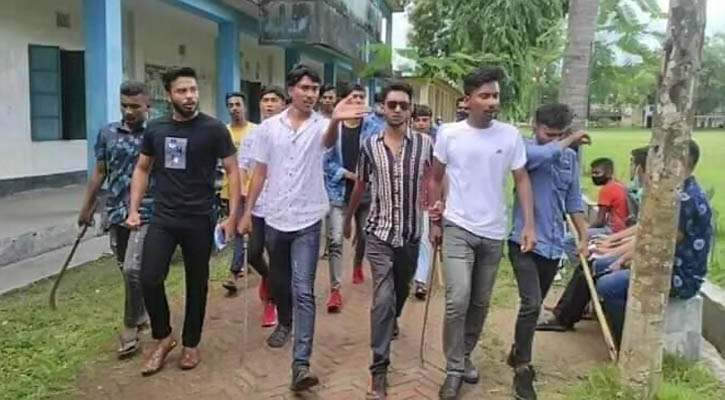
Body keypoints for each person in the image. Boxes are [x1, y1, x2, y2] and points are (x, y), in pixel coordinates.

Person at [238, 65, 350, 391]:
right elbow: (260, 172)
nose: (310, 94)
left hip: (308, 219)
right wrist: (247, 213)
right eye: (305, 88)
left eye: (315, 89)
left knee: (304, 289)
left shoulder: (322, 125)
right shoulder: (268, 129)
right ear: (291, 90)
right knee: (280, 281)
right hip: (275, 216)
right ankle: (284, 322)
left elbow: (328, 141)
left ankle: (300, 365)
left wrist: (337, 119)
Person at [428, 66, 536, 400]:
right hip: (457, 225)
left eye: (496, 96)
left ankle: (464, 354)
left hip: (493, 232)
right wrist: (434, 217)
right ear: (467, 99)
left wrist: (528, 225)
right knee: (457, 298)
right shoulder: (449, 133)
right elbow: (435, 177)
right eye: (485, 96)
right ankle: (453, 369)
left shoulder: (509, 135)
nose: (492, 102)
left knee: (480, 301)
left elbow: (521, 179)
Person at [126, 66, 240, 376]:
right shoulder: (156, 129)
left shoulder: (214, 129)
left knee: (196, 283)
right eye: (182, 91)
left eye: (193, 90)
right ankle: (164, 337)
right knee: (148, 277)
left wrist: (232, 217)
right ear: (169, 95)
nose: (190, 96)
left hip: (200, 218)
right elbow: (142, 168)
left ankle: (191, 343)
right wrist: (134, 209)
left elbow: (233, 170)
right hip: (163, 217)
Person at [342, 81, 433, 400]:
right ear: (382, 107)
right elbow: (360, 184)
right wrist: (348, 219)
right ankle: (378, 369)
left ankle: (393, 318)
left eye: (403, 105)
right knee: (382, 298)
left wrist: (437, 213)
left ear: (410, 109)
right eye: (391, 104)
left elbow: (434, 180)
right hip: (379, 233)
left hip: (410, 233)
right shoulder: (369, 145)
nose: (397, 110)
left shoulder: (424, 144)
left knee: (401, 289)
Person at [505, 103, 590, 400]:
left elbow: (573, 200)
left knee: (536, 303)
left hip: (553, 246)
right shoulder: (525, 149)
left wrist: (583, 235)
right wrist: (569, 140)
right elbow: (539, 156)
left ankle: (518, 349)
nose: (552, 140)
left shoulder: (569, 158)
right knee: (531, 304)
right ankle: (523, 369)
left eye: (558, 135)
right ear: (535, 127)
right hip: (523, 242)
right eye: (547, 134)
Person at [598, 140, 711, 345]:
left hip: (679, 274)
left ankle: (627, 345)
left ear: (680, 162)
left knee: (608, 285)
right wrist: (620, 255)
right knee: (603, 266)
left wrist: (623, 259)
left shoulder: (685, 199)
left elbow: (661, 242)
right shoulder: (674, 191)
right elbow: (647, 231)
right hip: (663, 264)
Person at [77, 81, 152, 360]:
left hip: (148, 211)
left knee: (133, 268)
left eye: (135, 106)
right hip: (116, 211)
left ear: (147, 105)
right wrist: (87, 207)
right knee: (125, 267)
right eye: (124, 106)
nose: (129, 111)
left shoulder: (156, 133)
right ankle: (141, 313)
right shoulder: (107, 133)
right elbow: (99, 171)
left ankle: (130, 328)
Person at [537, 148, 650, 333]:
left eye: (632, 163)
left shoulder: (657, 199)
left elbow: (642, 238)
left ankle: (566, 315)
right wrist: (612, 243)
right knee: (589, 263)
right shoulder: (639, 191)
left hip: (637, 254)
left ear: (639, 167)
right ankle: (565, 311)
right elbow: (640, 231)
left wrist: (612, 251)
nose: (630, 167)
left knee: (590, 264)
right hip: (622, 240)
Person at [237, 86, 287, 327]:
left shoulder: (289, 134)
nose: (269, 104)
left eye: (274, 100)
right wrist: (240, 192)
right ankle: (268, 278)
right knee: (254, 252)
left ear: (283, 104)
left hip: (281, 207)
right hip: (256, 206)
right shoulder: (252, 135)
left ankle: (272, 303)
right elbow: (242, 166)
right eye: (265, 100)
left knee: (277, 256)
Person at [321, 83, 370, 312]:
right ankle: (335, 290)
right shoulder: (334, 128)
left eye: (361, 97)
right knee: (335, 240)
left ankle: (358, 263)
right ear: (343, 100)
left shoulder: (372, 127)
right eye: (353, 97)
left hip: (365, 193)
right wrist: (347, 173)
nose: (358, 101)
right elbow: (326, 160)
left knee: (364, 234)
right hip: (338, 192)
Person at [221, 92, 256, 294]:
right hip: (231, 189)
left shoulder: (255, 131)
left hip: (253, 189)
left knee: (247, 230)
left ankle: (237, 268)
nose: (234, 108)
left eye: (238, 104)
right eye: (231, 105)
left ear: (244, 107)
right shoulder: (223, 132)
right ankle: (238, 268)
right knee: (236, 230)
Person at [410, 104, 435, 300]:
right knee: (409, 239)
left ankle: (421, 281)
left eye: (424, 120)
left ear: (430, 121)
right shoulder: (405, 142)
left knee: (425, 240)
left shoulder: (434, 144)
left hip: (426, 199)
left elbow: (438, 174)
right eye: (417, 120)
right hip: (406, 199)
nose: (421, 124)